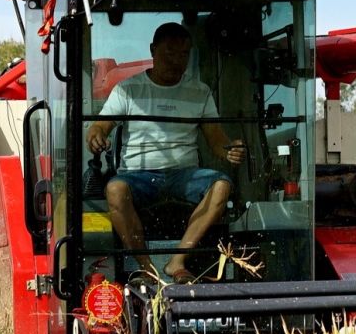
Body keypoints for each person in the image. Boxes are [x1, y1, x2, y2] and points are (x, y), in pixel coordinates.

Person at [87, 22, 245, 281]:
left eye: (184, 54)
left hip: (184, 176)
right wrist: (96, 135)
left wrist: (230, 150)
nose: (177, 61)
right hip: (137, 177)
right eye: (170, 53)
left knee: (221, 186)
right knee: (114, 189)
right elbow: (100, 126)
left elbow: (217, 141)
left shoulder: (200, 92)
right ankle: (146, 267)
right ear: (153, 50)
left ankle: (177, 261)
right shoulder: (128, 90)